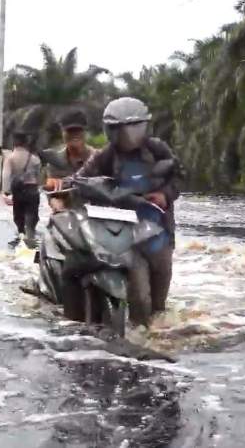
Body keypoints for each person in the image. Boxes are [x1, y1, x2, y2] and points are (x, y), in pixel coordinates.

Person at [77, 97, 181, 325]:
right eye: (119, 129)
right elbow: (82, 180)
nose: (127, 135)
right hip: (126, 235)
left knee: (159, 299)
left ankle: (158, 335)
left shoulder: (158, 150)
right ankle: (138, 337)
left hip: (159, 233)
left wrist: (164, 194)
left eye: (132, 128)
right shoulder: (104, 157)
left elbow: (178, 177)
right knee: (140, 297)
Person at [41, 109, 96, 212]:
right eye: (70, 130)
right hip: (67, 219)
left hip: (96, 219)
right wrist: (55, 202)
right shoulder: (55, 161)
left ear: (85, 132)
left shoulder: (98, 158)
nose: (74, 134)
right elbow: (52, 194)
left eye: (78, 130)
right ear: (62, 133)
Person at [2, 130, 41, 247]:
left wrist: (6, 192)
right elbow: (38, 176)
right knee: (32, 215)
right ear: (25, 143)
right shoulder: (35, 159)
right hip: (33, 190)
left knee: (19, 216)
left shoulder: (11, 158)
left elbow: (6, 175)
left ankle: (21, 236)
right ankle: (30, 237)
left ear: (14, 142)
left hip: (19, 191)